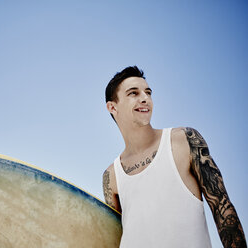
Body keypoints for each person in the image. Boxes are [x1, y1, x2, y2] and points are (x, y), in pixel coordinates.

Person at [102, 66, 246, 248]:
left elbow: (222, 208)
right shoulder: (111, 176)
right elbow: (114, 239)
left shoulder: (184, 140)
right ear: (112, 107)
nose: (145, 98)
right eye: (134, 93)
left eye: (148, 92)